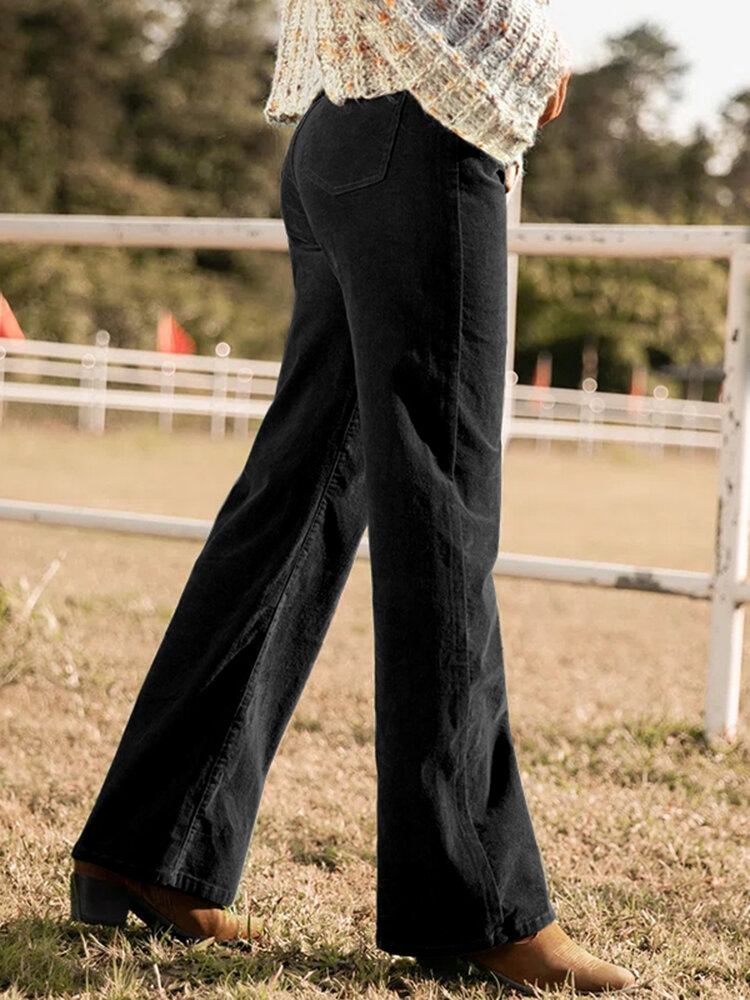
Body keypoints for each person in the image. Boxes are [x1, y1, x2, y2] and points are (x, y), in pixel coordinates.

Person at [69, 0, 637, 993]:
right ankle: (473, 903)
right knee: (441, 513)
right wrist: (539, 51)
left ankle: (151, 845)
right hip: (427, 129)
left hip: (340, 136)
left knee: (292, 502)